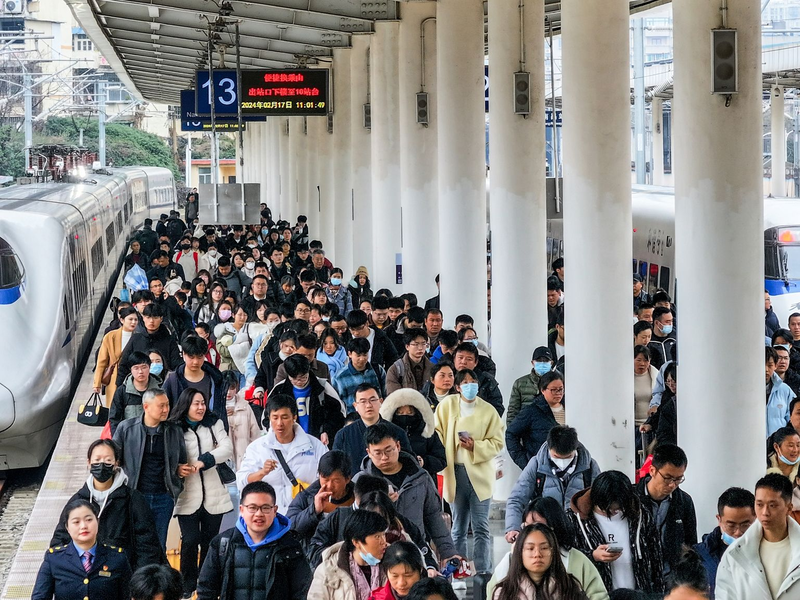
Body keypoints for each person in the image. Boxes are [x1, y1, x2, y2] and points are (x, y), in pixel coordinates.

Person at [50, 439, 164, 571]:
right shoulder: (77, 501)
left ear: (116, 463)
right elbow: (59, 541)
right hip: (85, 577)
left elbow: (148, 545)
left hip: (123, 576)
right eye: (97, 460)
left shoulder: (133, 499)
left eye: (108, 461)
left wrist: (138, 581)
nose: (102, 465)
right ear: (89, 463)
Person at [353, 423, 458, 562]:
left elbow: (433, 517)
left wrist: (448, 552)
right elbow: (353, 521)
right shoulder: (361, 482)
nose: (384, 457)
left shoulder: (420, 477)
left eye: (388, 450)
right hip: (377, 556)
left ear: (398, 446)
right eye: (378, 453)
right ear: (369, 452)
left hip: (415, 551)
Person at [434, 368, 504, 572]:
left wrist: (476, 446)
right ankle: (459, 571)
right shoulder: (447, 406)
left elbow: (497, 441)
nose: (470, 386)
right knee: (458, 528)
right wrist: (452, 445)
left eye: (473, 381)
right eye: (465, 382)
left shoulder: (488, 410)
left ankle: (482, 572)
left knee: (481, 526)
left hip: (480, 474)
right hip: (454, 472)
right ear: (457, 387)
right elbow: (436, 433)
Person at [197, 481, 312, 600]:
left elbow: (302, 592)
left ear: (275, 510)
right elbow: (206, 590)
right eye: (252, 508)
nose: (259, 514)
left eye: (266, 508)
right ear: (241, 509)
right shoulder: (222, 544)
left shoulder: (290, 546)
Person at [170, 388, 234, 598]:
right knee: (189, 540)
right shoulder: (174, 428)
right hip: (187, 494)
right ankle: (187, 586)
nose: (200, 407)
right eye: (196, 403)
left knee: (210, 541)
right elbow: (168, 457)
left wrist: (204, 460)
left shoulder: (214, 423)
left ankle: (207, 584)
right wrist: (178, 469)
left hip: (214, 492)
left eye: (203, 403)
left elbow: (226, 448)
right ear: (185, 405)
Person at [490, 497, 608, 600]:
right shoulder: (509, 561)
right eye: (526, 526)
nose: (537, 554)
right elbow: (491, 592)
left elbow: (598, 595)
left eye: (539, 526)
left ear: (555, 526)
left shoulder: (577, 562)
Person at [113, 390, 188, 550]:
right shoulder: (126, 428)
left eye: (167, 405)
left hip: (164, 497)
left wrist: (178, 476)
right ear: (146, 407)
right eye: (161, 406)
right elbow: (113, 457)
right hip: (135, 496)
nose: (166, 409)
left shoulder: (174, 431)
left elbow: (181, 459)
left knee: (159, 544)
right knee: (132, 543)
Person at [567, 470, 664, 594]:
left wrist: (658, 594)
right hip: (596, 595)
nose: (614, 512)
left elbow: (656, 556)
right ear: (595, 499)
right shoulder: (574, 520)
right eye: (608, 509)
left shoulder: (640, 514)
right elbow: (566, 556)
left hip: (639, 593)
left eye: (619, 508)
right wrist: (593, 556)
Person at [505, 426, 601, 539]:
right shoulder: (536, 465)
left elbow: (599, 500)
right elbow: (517, 498)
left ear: (575, 449)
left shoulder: (589, 467)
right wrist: (513, 528)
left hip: (580, 532)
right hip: (545, 531)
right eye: (556, 456)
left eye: (568, 457)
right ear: (549, 448)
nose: (562, 461)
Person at [236, 394, 328, 509]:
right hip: (270, 516)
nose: (279, 423)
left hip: (304, 514)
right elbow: (241, 483)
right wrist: (262, 472)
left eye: (284, 417)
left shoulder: (315, 446)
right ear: (269, 418)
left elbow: (327, 478)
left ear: (294, 417)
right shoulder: (256, 448)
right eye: (275, 417)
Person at [716, 474, 800, 600]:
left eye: (772, 505)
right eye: (759, 505)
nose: (765, 512)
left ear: (789, 508)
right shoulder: (734, 554)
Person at [32, 499, 132, 600]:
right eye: (76, 522)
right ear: (67, 527)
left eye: (89, 520)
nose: (83, 526)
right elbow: (40, 597)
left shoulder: (117, 557)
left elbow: (129, 596)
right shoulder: (54, 559)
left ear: (97, 522)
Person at [635, 444, 698, 575]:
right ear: (652, 470)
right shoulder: (632, 497)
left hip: (671, 576)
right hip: (639, 574)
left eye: (678, 479)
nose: (672, 484)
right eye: (667, 478)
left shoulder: (684, 501)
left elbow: (691, 543)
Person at [492, 523, 590, 600]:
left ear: (553, 552)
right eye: (530, 548)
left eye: (544, 548)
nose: (537, 554)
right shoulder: (505, 592)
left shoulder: (569, 587)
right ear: (520, 553)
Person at [332, 383, 413, 474]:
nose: (368, 405)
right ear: (355, 406)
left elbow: (408, 462)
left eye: (373, 400)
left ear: (381, 402)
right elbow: (336, 467)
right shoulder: (343, 435)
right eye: (363, 401)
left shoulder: (397, 432)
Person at [308, 509, 389, 600]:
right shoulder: (328, 570)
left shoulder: (391, 566)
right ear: (356, 542)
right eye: (377, 537)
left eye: (384, 535)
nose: (384, 542)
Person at [693, 487, 756, 599]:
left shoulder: (766, 553)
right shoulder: (699, 556)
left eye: (745, 525)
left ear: (756, 519)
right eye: (731, 525)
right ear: (719, 519)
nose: (738, 532)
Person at [270, 353, 345, 445]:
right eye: (294, 378)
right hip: (288, 442)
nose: (299, 381)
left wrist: (327, 431)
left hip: (318, 441)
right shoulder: (279, 390)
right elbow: (267, 417)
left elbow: (339, 414)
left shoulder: (323, 388)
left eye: (303, 377)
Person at [286, 450, 354, 544]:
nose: (329, 485)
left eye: (336, 480)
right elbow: (288, 529)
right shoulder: (306, 497)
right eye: (325, 479)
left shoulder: (359, 496)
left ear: (347, 479)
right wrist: (314, 510)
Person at [163, 335, 230, 431]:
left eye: (199, 357)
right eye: (191, 357)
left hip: (210, 430)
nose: (195, 362)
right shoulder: (173, 380)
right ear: (183, 354)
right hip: (181, 432)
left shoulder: (214, 379)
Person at [380, 388, 447, 483]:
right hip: (394, 484)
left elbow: (442, 460)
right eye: (400, 413)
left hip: (425, 483)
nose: (405, 416)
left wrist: (424, 462)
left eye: (410, 412)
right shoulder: (386, 434)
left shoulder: (427, 431)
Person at [506, 371, 566, 468]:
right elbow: (511, 434)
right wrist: (526, 462)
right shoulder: (531, 411)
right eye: (553, 390)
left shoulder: (570, 407)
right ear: (542, 390)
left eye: (561, 389)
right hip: (541, 468)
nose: (558, 393)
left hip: (568, 465)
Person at [116, 303, 182, 384]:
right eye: (148, 317)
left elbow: (176, 364)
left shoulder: (169, 340)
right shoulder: (136, 339)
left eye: (155, 317)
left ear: (161, 319)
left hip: (163, 385)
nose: (151, 321)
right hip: (137, 386)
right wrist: (119, 388)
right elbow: (124, 365)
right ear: (143, 318)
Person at [109, 351, 162, 435]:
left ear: (149, 367)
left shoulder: (160, 389)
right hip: (130, 439)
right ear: (131, 369)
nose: (140, 371)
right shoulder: (122, 391)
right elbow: (114, 420)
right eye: (136, 368)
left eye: (144, 367)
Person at [94, 306, 139, 404]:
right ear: (122, 320)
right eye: (130, 319)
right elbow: (102, 361)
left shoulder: (139, 337)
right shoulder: (110, 337)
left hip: (133, 379)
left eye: (136, 319)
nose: (133, 322)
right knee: (114, 407)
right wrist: (97, 384)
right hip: (114, 379)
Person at [334, 337, 388, 412]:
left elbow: (385, 394)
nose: (362, 358)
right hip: (353, 417)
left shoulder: (378, 370)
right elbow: (337, 403)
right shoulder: (340, 377)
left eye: (365, 355)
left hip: (376, 415)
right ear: (349, 354)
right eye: (358, 355)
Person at [221, 371, 261, 470]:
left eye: (232, 388)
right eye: (225, 388)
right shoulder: (214, 408)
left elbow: (255, 433)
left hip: (245, 458)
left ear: (237, 386)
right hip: (225, 461)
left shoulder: (245, 406)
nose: (229, 392)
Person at [452, 342, 504, 416]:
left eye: (469, 359)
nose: (463, 362)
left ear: (475, 362)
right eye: (460, 358)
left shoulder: (486, 380)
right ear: (454, 359)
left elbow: (497, 407)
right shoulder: (447, 377)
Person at [507, 347, 554, 425]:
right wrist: (512, 432)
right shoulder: (520, 383)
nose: (542, 363)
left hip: (551, 430)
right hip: (526, 430)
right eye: (539, 360)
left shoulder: (559, 383)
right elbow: (513, 411)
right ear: (532, 363)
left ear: (551, 363)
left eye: (546, 361)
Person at [386, 328, 434, 395]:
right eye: (416, 344)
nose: (420, 348)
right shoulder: (396, 369)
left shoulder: (433, 368)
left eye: (423, 344)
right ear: (407, 346)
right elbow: (395, 397)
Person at [767, 346, 796, 438]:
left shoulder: (785, 390)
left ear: (775, 365)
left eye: (770, 365)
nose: (766, 370)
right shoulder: (745, 391)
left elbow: (793, 419)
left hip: (777, 446)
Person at [633, 345, 659, 429]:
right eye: (638, 360)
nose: (642, 364)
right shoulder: (625, 377)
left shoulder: (656, 376)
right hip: (630, 424)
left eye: (645, 360)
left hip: (650, 424)